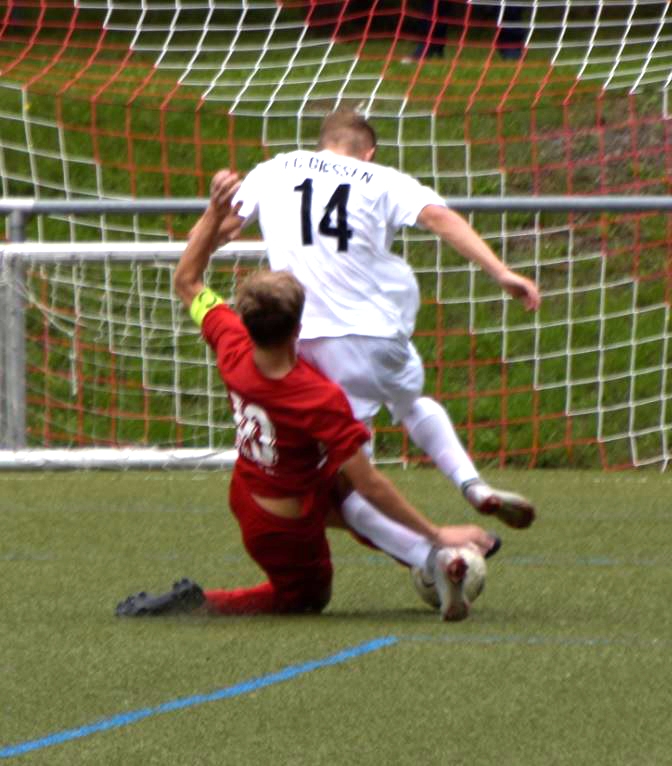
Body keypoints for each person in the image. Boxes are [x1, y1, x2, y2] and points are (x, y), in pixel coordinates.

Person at [116, 173, 497, 622]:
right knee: (304, 600)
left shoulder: (231, 340)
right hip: (279, 524)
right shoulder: (316, 396)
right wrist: (439, 528)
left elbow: (187, 280)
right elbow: (372, 482)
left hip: (268, 486)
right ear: (299, 328)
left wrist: (214, 214)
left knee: (352, 501)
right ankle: (199, 603)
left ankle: (435, 560)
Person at [205, 109, 540, 581]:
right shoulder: (382, 178)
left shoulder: (274, 169)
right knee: (413, 404)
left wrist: (214, 212)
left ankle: (438, 558)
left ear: (321, 142)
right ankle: (472, 484)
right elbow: (441, 219)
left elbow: (224, 229)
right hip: (382, 336)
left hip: (314, 347)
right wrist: (500, 271)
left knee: (348, 487)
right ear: (368, 151)